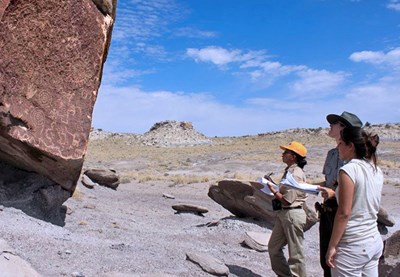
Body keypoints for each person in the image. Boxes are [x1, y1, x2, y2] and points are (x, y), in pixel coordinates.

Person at [322, 127, 383, 276]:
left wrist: (332, 246)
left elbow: (344, 213)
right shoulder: (376, 169)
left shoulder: (348, 170)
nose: (338, 147)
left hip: (352, 245)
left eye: (341, 143)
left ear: (351, 146)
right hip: (373, 239)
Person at [314, 111, 363, 277]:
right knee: (325, 262)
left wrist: (332, 193)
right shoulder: (332, 154)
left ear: (344, 128)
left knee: (339, 263)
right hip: (327, 213)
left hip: (343, 215)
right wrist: (304, 186)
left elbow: (353, 192)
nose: (330, 125)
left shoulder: (355, 158)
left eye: (335, 122)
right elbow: (328, 183)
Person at [266, 141, 308, 277]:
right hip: (285, 214)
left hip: (292, 214)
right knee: (273, 248)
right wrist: (272, 184)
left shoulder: (295, 174)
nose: (282, 155)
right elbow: (285, 192)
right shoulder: (289, 171)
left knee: (296, 254)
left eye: (286, 152)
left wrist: (272, 190)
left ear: (293, 156)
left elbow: (287, 199)